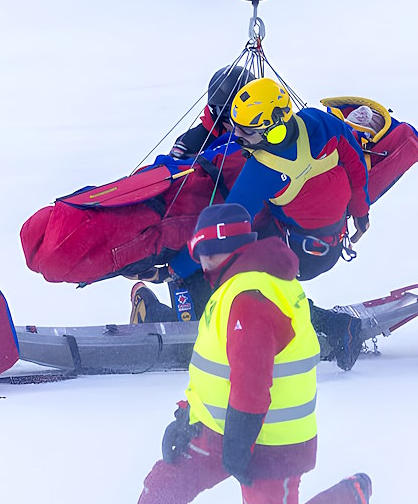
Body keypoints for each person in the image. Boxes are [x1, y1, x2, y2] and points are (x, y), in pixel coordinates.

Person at [84, 203, 374, 504]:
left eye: (207, 252)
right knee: (169, 481)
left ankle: (351, 503)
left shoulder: (249, 296)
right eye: (198, 253)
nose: (203, 263)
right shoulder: (237, 284)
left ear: (229, 246)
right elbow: (214, 366)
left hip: (270, 442)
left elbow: (251, 382)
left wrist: (238, 445)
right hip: (223, 427)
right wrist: (185, 414)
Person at [143, 77, 372, 368]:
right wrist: (361, 213)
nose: (236, 136)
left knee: (238, 277)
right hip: (332, 244)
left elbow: (223, 229)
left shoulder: (262, 169)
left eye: (246, 132)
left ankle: (336, 326)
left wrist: (171, 270)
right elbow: (354, 162)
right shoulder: (317, 121)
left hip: (297, 254)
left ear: (273, 130)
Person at [168, 63, 257, 160]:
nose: (241, 122)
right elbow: (173, 169)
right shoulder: (190, 143)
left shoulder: (264, 132)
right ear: (218, 113)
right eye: (233, 114)